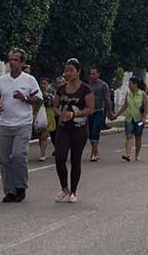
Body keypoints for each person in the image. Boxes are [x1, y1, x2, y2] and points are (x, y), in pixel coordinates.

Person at [0, 49, 41, 203]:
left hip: (23, 123)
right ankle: (9, 191)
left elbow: (39, 99)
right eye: (10, 59)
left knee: (19, 156)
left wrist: (24, 98)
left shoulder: (29, 80)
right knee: (5, 159)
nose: (12, 62)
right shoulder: (2, 80)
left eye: (15, 60)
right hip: (6, 123)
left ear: (22, 63)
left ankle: (20, 186)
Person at [53, 58, 94, 203]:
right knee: (59, 158)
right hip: (63, 128)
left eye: (71, 70)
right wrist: (59, 112)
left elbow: (90, 109)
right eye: (66, 70)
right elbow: (55, 106)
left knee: (75, 160)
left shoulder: (85, 89)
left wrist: (75, 114)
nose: (68, 73)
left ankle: (73, 191)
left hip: (79, 129)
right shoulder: (61, 89)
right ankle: (64, 189)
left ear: (78, 72)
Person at [112, 76, 147, 162]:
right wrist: (117, 115)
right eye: (128, 84)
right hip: (129, 118)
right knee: (128, 136)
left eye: (130, 84)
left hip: (139, 119)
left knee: (138, 137)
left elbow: (146, 107)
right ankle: (127, 155)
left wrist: (144, 118)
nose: (129, 86)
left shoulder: (142, 94)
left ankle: (137, 155)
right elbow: (125, 106)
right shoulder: (128, 94)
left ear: (135, 85)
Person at [86, 66, 112, 163]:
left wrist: (110, 112)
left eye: (94, 73)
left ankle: (92, 154)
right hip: (88, 112)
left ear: (98, 74)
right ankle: (96, 151)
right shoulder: (87, 84)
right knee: (89, 133)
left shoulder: (103, 85)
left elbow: (107, 99)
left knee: (95, 131)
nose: (92, 76)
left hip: (99, 111)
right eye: (90, 73)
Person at [36, 77, 55, 162]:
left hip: (48, 114)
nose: (43, 85)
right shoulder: (37, 92)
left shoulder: (51, 92)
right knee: (40, 135)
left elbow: (54, 103)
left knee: (44, 135)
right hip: (39, 114)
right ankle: (42, 150)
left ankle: (42, 153)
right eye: (42, 83)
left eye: (45, 83)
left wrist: (49, 97)